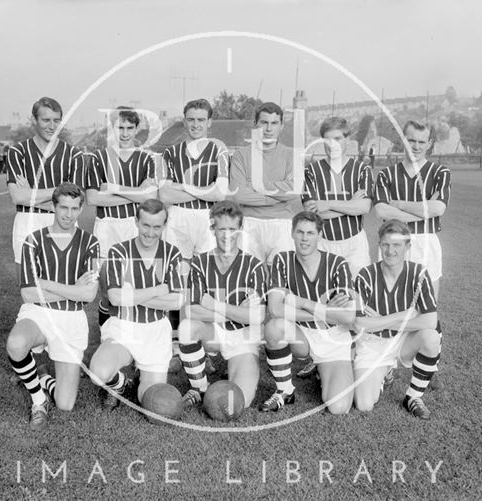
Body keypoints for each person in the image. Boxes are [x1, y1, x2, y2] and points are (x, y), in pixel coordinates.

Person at [6, 182, 99, 430]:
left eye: (74, 208)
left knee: (65, 404)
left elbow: (89, 294)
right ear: (53, 207)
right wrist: (72, 290)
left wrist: (45, 284)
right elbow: (28, 294)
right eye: (63, 208)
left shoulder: (90, 243)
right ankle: (38, 400)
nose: (68, 215)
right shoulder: (32, 241)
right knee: (16, 344)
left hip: (71, 319)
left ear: (81, 209)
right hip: (38, 314)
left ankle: (44, 377)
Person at [373, 120, 449, 389]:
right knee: (389, 304)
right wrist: (420, 210)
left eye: (421, 141)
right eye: (411, 140)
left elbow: (438, 208)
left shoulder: (440, 171)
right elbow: (381, 212)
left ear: (430, 144)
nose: (415, 146)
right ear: (402, 140)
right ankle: (387, 365)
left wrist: (398, 203)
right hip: (394, 240)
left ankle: (430, 366)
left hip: (427, 242)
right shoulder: (386, 174)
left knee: (428, 306)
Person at [89, 199, 185, 409]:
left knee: (151, 400)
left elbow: (176, 301)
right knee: (98, 372)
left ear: (164, 226)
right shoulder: (118, 252)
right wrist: (158, 290)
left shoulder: (172, 253)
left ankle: (142, 378)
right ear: (136, 222)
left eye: (157, 227)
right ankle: (121, 384)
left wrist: (131, 295)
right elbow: (115, 298)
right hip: (123, 326)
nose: (150, 232)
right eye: (146, 225)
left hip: (156, 331)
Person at [298, 117, 373, 378]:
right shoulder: (312, 171)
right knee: (325, 299)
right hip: (325, 242)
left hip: (354, 242)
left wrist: (326, 204)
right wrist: (346, 204)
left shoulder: (361, 169)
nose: (333, 144)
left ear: (348, 140)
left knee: (357, 298)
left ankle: (359, 352)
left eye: (338, 138)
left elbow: (363, 207)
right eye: (328, 139)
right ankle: (319, 358)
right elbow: (312, 212)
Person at [260, 211, 355, 414]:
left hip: (334, 339)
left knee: (338, 408)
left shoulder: (338, 264)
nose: (305, 238)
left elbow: (348, 317)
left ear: (319, 235)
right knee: (274, 327)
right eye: (300, 232)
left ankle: (327, 371)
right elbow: (275, 309)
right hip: (303, 335)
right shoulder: (282, 260)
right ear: (292, 233)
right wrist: (327, 311)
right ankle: (285, 390)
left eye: (311, 233)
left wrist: (299, 302)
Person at [177, 201, 267, 409]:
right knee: (187, 327)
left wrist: (214, 304)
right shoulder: (200, 263)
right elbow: (192, 310)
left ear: (240, 230)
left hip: (243, 338)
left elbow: (258, 317)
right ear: (212, 229)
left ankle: (240, 368)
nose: (227, 235)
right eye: (221, 229)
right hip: (214, 333)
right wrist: (239, 312)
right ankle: (198, 387)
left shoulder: (253, 266)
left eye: (232, 229)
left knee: (238, 402)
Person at [352, 219, 441, 420]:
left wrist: (381, 321)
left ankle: (413, 396)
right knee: (364, 404)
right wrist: (403, 315)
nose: (390, 251)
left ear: (407, 247)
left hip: (403, 341)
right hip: (373, 344)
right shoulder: (365, 275)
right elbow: (359, 324)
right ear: (379, 245)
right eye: (386, 244)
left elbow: (430, 321)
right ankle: (385, 372)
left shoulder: (419, 274)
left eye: (397, 245)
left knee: (431, 337)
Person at [86, 106, 158, 326]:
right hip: (106, 225)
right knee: (108, 286)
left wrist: (112, 187)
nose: (125, 133)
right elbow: (93, 199)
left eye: (129, 128)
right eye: (120, 128)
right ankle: (108, 332)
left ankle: (131, 329)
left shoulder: (146, 159)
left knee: (135, 283)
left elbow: (151, 197)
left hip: (133, 225)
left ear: (137, 129)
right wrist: (135, 195)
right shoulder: (99, 157)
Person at [6, 97, 84, 272]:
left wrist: (30, 193)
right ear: (34, 120)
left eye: (56, 120)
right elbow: (17, 197)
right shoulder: (18, 152)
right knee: (28, 288)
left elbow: (74, 202)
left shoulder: (74, 155)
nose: (52, 126)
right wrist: (61, 193)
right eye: (46, 120)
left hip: (63, 224)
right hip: (28, 222)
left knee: (65, 285)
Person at [229, 102, 303, 267]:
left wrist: (256, 184)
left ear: (281, 126)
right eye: (264, 122)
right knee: (249, 279)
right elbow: (239, 194)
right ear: (256, 125)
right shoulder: (241, 155)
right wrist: (279, 196)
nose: (269, 128)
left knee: (280, 281)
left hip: (282, 224)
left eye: (274, 123)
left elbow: (295, 191)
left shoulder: (292, 156)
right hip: (249, 222)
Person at [158, 98, 229, 260]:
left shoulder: (219, 151)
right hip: (177, 217)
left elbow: (219, 194)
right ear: (184, 121)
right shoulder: (170, 153)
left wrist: (182, 186)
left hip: (208, 217)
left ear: (209, 122)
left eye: (201, 120)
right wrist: (207, 189)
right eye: (191, 119)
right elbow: (165, 195)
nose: (195, 124)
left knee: (206, 272)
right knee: (177, 271)